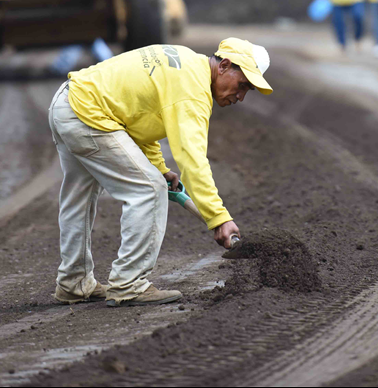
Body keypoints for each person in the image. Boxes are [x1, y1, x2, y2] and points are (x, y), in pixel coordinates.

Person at [48, 38, 272, 307]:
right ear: (224, 65)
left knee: (80, 198)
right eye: (243, 85)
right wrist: (219, 218)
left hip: (69, 101)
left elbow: (139, 119)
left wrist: (160, 168)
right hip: (89, 114)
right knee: (148, 190)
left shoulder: (186, 62)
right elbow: (193, 162)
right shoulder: (193, 90)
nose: (241, 96)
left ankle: (74, 283)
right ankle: (130, 285)